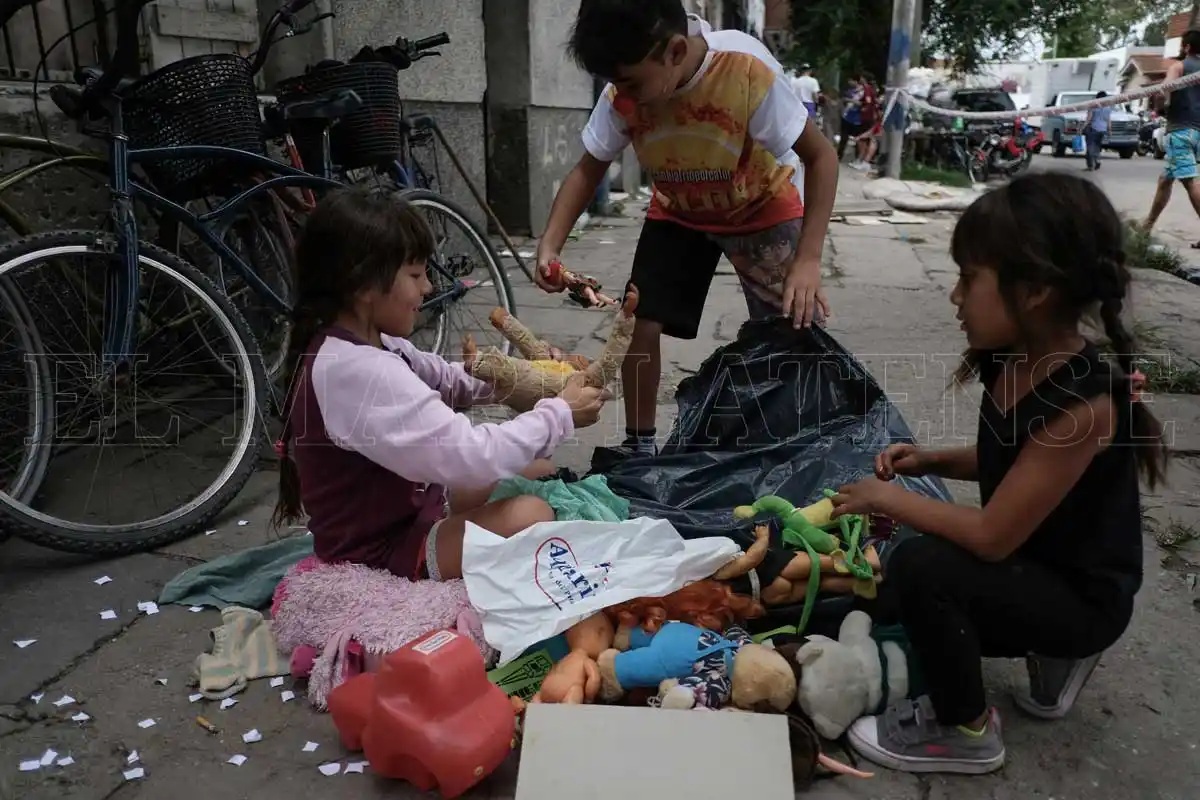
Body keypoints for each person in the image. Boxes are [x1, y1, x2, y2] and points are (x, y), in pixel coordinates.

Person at [830, 173, 1167, 775]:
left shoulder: (1085, 404)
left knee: (921, 565)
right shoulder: (1011, 361)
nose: (955, 296)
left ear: (1034, 290)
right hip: (1035, 563)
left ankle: (965, 728)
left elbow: (992, 536)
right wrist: (932, 460)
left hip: (1080, 596)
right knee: (905, 573)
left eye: (968, 279)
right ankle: (1048, 654)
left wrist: (888, 497)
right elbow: (1014, 461)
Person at [535, 0, 840, 458]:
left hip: (759, 206)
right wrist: (550, 245)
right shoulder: (626, 89)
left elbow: (822, 158)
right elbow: (589, 167)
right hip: (679, 209)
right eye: (617, 85)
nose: (626, 99)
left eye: (633, 83)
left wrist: (809, 259)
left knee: (795, 326)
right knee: (638, 321)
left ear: (676, 52)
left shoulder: (744, 70)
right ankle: (640, 445)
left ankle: (795, 446)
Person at [271, 188, 610, 581]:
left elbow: (451, 381)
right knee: (532, 513)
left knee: (536, 468)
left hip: (417, 508)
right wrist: (560, 414)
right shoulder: (355, 371)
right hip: (379, 553)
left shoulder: (375, 343)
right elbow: (473, 454)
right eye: (415, 275)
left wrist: (528, 376)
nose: (428, 287)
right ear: (363, 284)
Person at [1142, 29, 1200, 236]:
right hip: (1198, 132)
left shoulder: (1179, 66)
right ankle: (1147, 226)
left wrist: (1161, 105)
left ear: (1186, 47)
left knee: (1190, 181)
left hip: (1181, 132)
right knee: (1165, 180)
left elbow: (1163, 91)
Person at [1083, 91, 1111, 172]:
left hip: (1093, 129)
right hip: (1103, 129)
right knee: (1097, 147)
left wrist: (1082, 127)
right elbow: (1108, 120)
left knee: (1090, 147)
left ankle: (1091, 165)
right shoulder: (1108, 108)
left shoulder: (1093, 106)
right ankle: (1097, 160)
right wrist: (1109, 130)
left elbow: (1089, 118)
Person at [838, 76, 865, 162]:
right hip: (847, 117)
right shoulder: (850, 91)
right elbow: (843, 100)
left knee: (857, 139)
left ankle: (857, 157)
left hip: (857, 119)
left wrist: (851, 100)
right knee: (844, 138)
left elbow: (863, 104)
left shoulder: (864, 93)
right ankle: (839, 155)